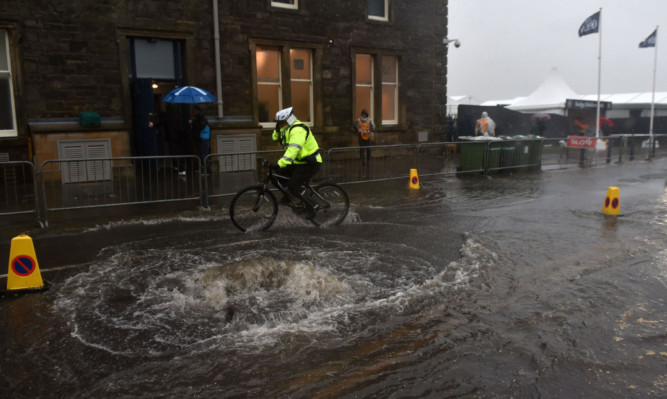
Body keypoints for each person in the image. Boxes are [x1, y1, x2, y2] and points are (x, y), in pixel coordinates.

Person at [270, 107, 323, 219]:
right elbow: (275, 137)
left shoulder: (297, 130)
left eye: (281, 122)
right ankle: (290, 197)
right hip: (300, 162)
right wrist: (278, 129)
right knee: (278, 175)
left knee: (294, 185)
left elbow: (293, 150)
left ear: (288, 120)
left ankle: (313, 206)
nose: (279, 125)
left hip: (310, 162)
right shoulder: (288, 128)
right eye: (279, 123)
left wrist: (281, 163)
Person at [189, 105, 210, 174]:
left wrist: (193, 123)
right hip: (199, 139)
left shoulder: (202, 118)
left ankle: (206, 170)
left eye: (194, 110)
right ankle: (202, 169)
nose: (193, 112)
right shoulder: (197, 118)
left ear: (198, 111)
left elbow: (200, 126)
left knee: (204, 155)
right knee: (200, 155)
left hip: (203, 138)